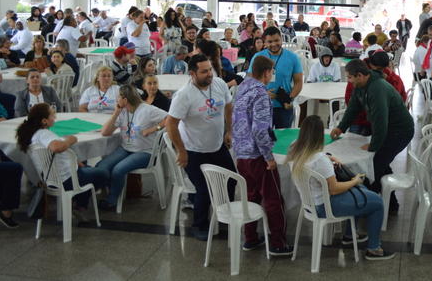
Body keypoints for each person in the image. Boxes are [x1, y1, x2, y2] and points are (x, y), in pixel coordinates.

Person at [287, 115, 393, 260]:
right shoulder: (320, 161)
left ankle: (350, 234)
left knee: (364, 193)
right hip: (325, 206)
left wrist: (329, 157)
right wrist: (355, 181)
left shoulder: (295, 149)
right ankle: (374, 248)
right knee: (377, 203)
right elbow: (335, 189)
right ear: (319, 136)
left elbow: (315, 159)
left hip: (310, 203)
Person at [166, 53, 234, 241]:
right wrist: (181, 151)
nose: (209, 74)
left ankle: (224, 217)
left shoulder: (219, 84)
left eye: (210, 69)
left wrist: (229, 131)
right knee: (204, 188)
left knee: (231, 179)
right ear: (193, 74)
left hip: (217, 145)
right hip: (193, 150)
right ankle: (199, 225)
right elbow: (171, 124)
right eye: (204, 71)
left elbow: (229, 106)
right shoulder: (184, 95)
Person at [231, 55, 294, 255]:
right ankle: (278, 243)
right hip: (258, 156)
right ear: (266, 72)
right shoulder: (261, 94)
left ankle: (250, 238)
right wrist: (268, 157)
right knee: (273, 198)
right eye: (272, 72)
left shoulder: (242, 88)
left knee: (251, 197)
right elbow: (260, 130)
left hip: (241, 153)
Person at [332, 60, 414, 205]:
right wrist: (341, 128)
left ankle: (369, 202)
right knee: (381, 163)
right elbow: (353, 108)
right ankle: (390, 203)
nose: (348, 81)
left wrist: (373, 146)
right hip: (390, 129)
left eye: (350, 77)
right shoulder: (360, 85)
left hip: (401, 131)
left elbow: (380, 122)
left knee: (375, 164)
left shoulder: (377, 89)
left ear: (360, 75)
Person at [16, 103, 109, 221]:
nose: (54, 118)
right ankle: (80, 205)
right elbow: (56, 147)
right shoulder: (43, 134)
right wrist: (70, 140)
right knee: (104, 174)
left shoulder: (31, 134)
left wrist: (75, 160)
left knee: (87, 167)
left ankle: (77, 200)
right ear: (44, 121)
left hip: (50, 178)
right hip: (66, 179)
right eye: (52, 115)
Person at [97, 84, 167, 210]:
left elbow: (169, 118)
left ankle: (112, 200)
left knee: (118, 170)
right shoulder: (122, 111)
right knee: (102, 166)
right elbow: (105, 132)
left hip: (145, 152)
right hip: (126, 148)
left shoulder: (147, 110)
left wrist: (153, 129)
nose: (117, 99)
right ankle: (111, 190)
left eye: (119, 97)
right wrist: (116, 112)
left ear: (125, 99)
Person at [249, 26, 303, 129]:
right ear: (264, 42)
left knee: (283, 139)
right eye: (269, 42)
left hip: (284, 106)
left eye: (277, 40)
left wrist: (289, 98)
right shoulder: (258, 57)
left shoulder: (292, 58)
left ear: (282, 39)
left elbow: (298, 82)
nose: (274, 44)